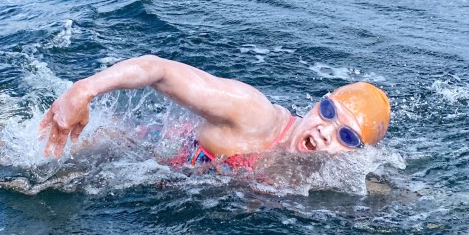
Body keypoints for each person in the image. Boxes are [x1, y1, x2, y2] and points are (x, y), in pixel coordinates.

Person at [38, 55, 391, 170]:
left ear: (358, 154)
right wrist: (83, 90)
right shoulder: (255, 116)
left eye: (346, 136)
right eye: (328, 111)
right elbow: (158, 69)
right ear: (317, 103)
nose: (326, 130)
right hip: (128, 150)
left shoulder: (333, 178)